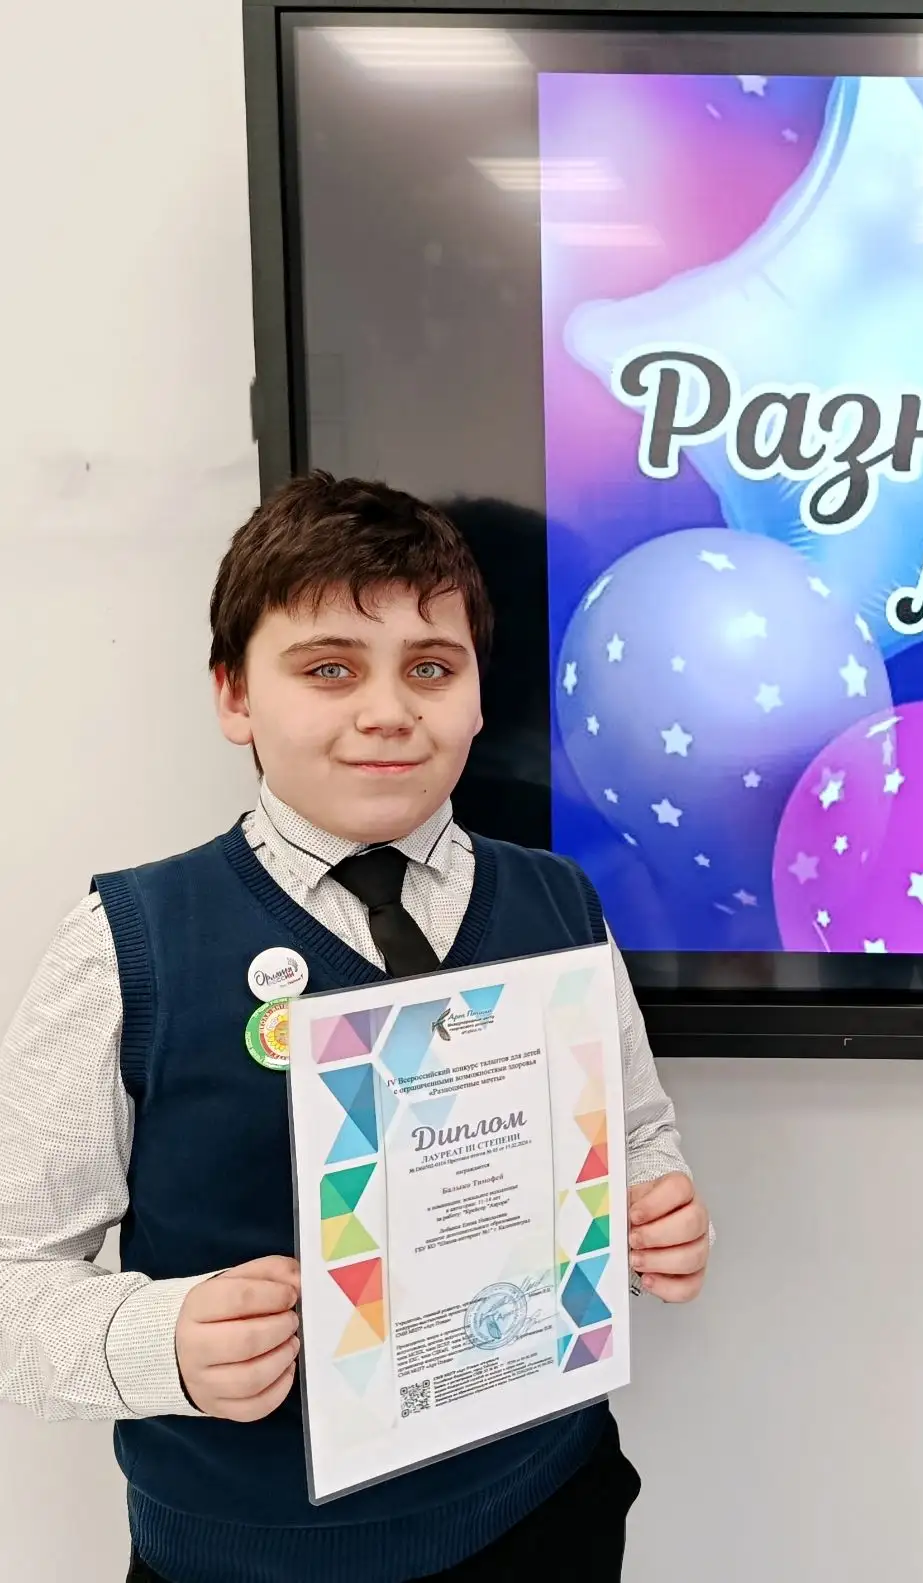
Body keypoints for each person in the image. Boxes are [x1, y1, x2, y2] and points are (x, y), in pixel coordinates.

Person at [0, 473, 712, 1582]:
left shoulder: (561, 904)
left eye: (431, 667)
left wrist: (653, 1207)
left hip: (547, 1506)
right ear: (235, 695)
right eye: (329, 667)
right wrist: (162, 1344)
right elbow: (13, 1271)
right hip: (253, 1559)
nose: (388, 709)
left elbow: (639, 1137)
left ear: (478, 696)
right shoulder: (131, 944)